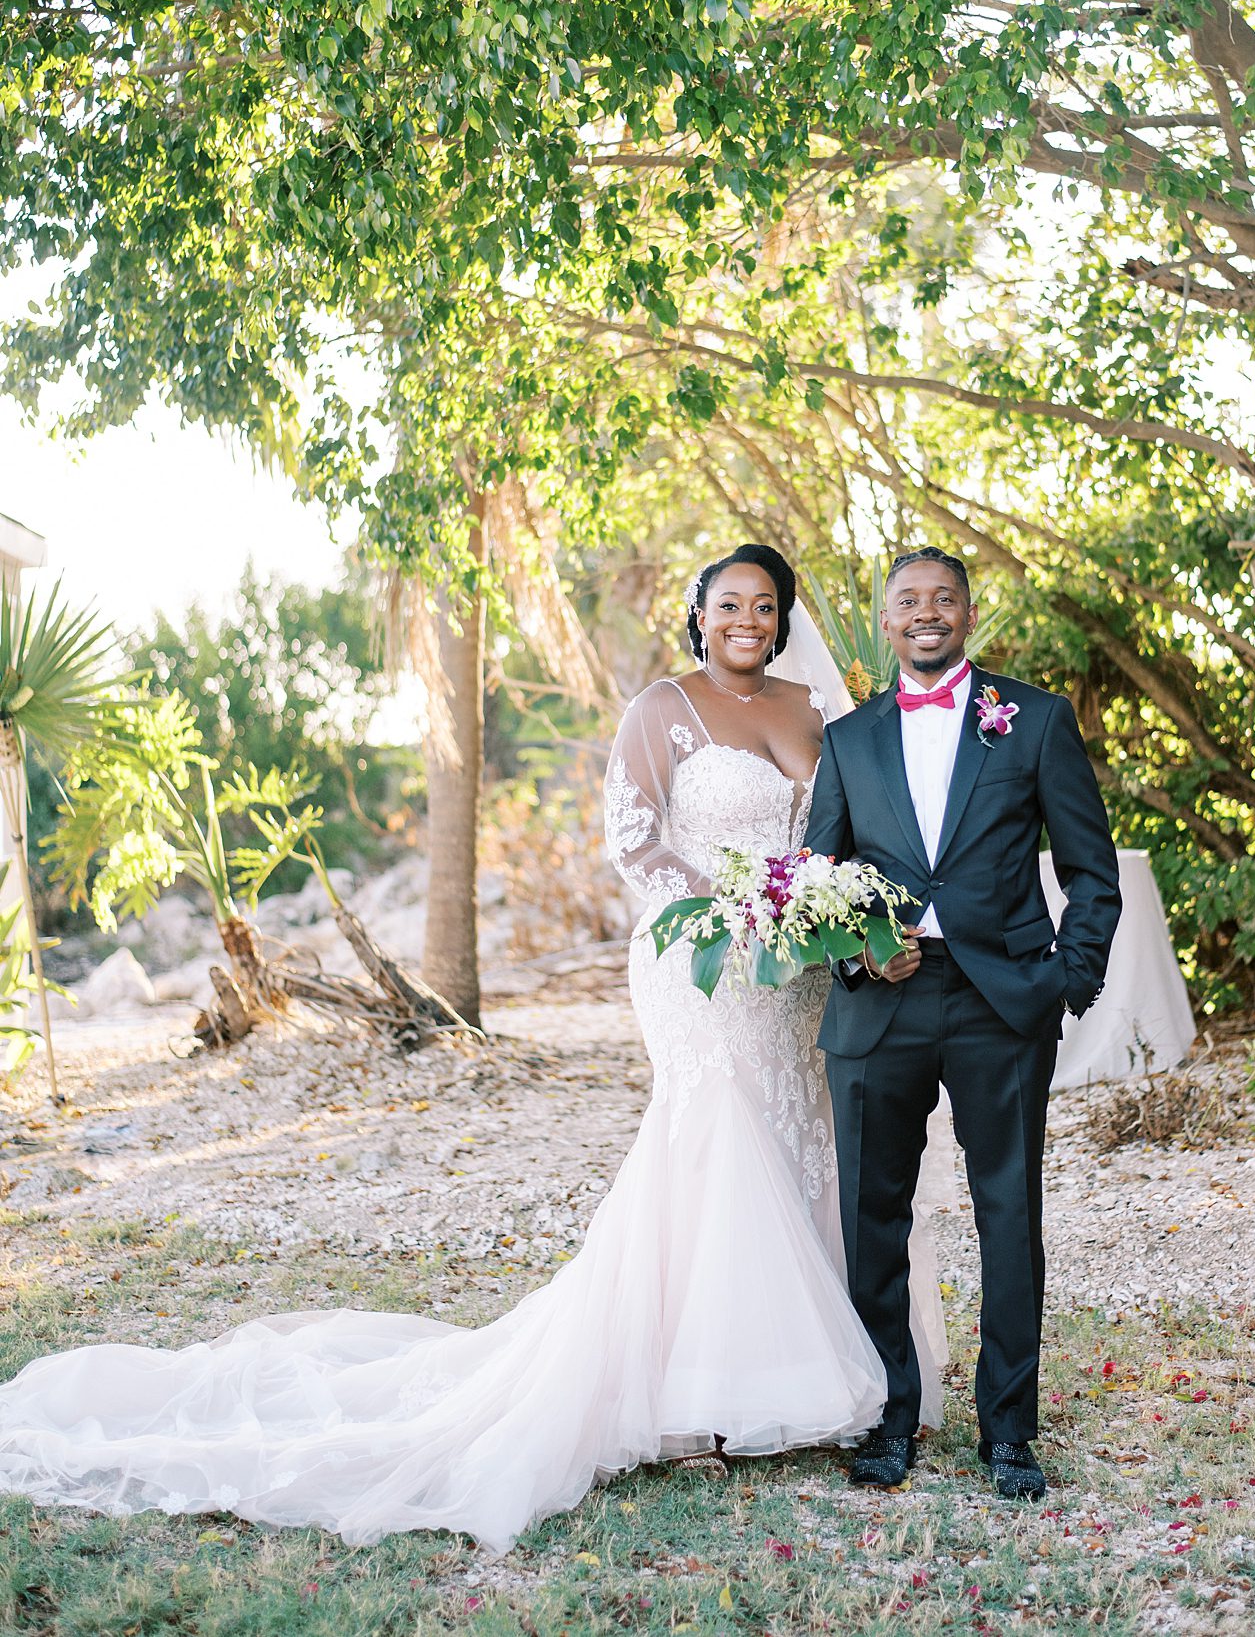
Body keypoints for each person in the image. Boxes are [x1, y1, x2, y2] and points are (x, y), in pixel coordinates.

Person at [0, 543, 939, 1553]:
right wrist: (736, 910)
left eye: (764, 604)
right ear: (699, 616)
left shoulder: (815, 712)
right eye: (728, 604)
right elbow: (636, 841)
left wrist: (828, 915)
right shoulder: (660, 708)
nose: (746, 619)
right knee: (715, 1145)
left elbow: (850, 835)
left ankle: (796, 1375)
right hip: (700, 964)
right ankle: (688, 1402)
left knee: (796, 1141)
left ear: (784, 616)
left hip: (792, 974)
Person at [806, 547, 1121, 1501]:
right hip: (882, 1002)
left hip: (1003, 1003)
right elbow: (818, 880)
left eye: (944, 598)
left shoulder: (1035, 718)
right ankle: (888, 1419)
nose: (927, 613)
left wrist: (1066, 980)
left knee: (1008, 1214)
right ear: (886, 620)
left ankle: (1009, 1436)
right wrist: (860, 956)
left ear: (968, 612)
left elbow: (1091, 870)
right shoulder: (849, 739)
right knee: (872, 1217)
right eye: (909, 601)